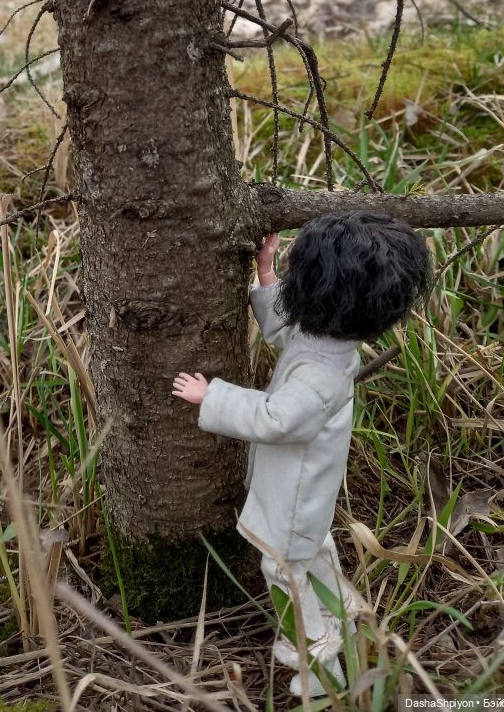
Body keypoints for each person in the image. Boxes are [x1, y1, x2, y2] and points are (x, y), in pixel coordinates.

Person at [172, 211, 430, 697]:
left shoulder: (318, 379)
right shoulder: (331, 344)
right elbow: (288, 334)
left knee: (284, 568)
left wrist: (213, 397)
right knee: (312, 554)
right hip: (303, 491)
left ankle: (319, 658)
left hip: (294, 493)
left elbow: (275, 418)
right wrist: (268, 277)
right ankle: (347, 619)